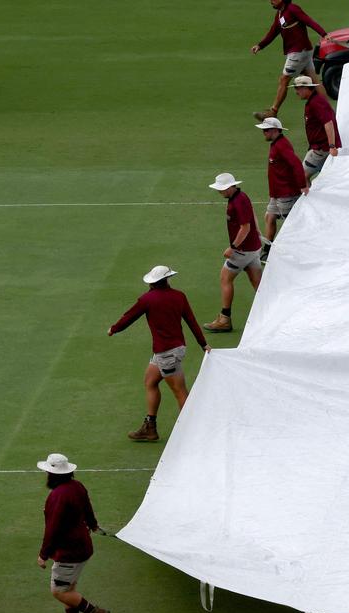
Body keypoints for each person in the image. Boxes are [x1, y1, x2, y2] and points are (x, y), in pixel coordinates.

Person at [107, 266, 210, 441]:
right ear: (167, 280)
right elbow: (191, 321)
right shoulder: (179, 296)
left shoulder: (147, 299)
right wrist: (203, 344)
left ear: (153, 283)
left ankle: (193, 431)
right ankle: (150, 427)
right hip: (171, 350)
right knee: (150, 381)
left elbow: (129, 317)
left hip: (166, 353)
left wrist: (113, 329)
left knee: (179, 391)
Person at [37, 453, 111, 613]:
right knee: (69, 588)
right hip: (82, 547)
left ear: (52, 475)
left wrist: (43, 555)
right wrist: (93, 524)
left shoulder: (57, 496)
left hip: (69, 553)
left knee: (60, 591)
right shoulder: (77, 487)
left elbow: (52, 529)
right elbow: (88, 508)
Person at [251, 0, 328, 121]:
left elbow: (308, 21)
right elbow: (273, 32)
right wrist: (260, 45)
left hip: (298, 52)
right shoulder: (280, 14)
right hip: (304, 51)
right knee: (314, 80)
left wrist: (323, 34)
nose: (271, 1)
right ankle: (328, 110)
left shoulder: (292, 9)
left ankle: (273, 111)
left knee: (284, 79)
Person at [204, 173, 263, 333]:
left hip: (243, 251)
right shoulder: (241, 196)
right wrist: (257, 232)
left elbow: (245, 227)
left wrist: (233, 247)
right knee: (258, 283)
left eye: (222, 189)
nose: (219, 192)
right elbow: (252, 216)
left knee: (225, 278)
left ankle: (224, 319)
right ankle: (272, 312)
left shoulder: (237, 201)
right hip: (253, 248)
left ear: (230, 187)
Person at [256, 117, 309, 262]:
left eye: (266, 130)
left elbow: (297, 164)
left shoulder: (282, 145)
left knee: (289, 225)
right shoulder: (276, 144)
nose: (263, 133)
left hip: (286, 194)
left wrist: (303, 185)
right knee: (269, 217)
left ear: (274, 130)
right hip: (276, 194)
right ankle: (267, 249)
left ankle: (295, 253)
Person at [291, 75, 342, 181]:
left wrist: (332, 146)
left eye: (297, 88)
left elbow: (328, 123)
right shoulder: (315, 101)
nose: (296, 92)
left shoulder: (316, 102)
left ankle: (309, 197)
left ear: (305, 88)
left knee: (302, 177)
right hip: (320, 147)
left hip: (322, 149)